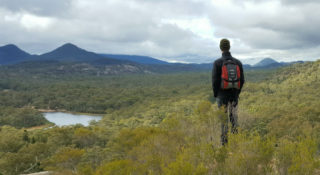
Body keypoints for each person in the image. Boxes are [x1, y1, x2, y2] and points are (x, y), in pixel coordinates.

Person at [212, 38, 245, 145]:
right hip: (234, 95)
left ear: (221, 48)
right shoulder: (238, 62)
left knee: (223, 121)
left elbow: (215, 81)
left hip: (222, 96)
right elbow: (242, 80)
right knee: (234, 119)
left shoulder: (217, 63)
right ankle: (236, 143)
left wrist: (216, 95)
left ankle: (225, 145)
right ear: (229, 47)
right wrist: (237, 93)